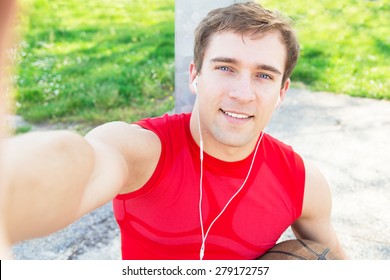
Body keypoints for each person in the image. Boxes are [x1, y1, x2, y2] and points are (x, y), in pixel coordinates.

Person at [0, 1, 347, 260]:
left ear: (282, 92)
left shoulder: (301, 181)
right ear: (195, 76)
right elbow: (78, 167)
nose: (243, 93)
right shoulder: (142, 151)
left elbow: (340, 265)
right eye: (225, 67)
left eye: (264, 75)